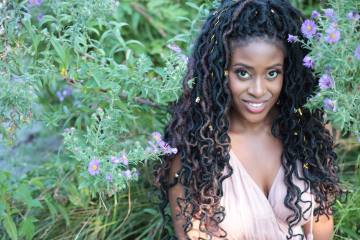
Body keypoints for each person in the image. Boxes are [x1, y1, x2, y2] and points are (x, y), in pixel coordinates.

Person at [154, 0, 344, 239]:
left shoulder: (303, 134)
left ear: (288, 72)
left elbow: (321, 222)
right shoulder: (196, 151)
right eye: (243, 73)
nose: (258, 90)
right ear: (221, 71)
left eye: (272, 73)